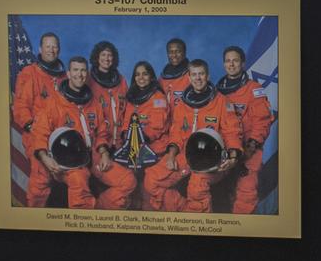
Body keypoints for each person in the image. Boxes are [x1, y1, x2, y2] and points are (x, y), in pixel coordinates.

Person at [24, 56, 136, 209]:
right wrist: (45, 158)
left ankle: (101, 210)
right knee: (78, 181)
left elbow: (102, 132)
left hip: (93, 156)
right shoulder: (54, 103)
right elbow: (40, 132)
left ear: (87, 74)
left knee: (128, 180)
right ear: (68, 74)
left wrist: (103, 153)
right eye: (75, 70)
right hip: (68, 161)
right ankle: (82, 219)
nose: (80, 74)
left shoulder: (93, 103)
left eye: (83, 70)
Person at [143, 59, 242, 213]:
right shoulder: (183, 104)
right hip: (185, 154)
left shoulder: (222, 102)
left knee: (197, 188)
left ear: (208, 76)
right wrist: (171, 155)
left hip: (213, 158)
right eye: (194, 75)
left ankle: (196, 222)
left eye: (201, 74)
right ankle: (183, 213)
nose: (198, 78)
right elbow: (175, 133)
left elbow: (232, 132)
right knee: (151, 179)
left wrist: (233, 157)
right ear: (189, 78)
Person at [216, 45, 275, 214]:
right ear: (224, 64)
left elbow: (262, 120)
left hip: (249, 151)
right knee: (218, 193)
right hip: (224, 149)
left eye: (235, 60)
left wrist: (252, 144)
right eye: (228, 61)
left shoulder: (254, 89)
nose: (231, 64)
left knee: (246, 194)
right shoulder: (217, 91)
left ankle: (242, 229)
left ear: (242, 63)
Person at [114, 61, 174, 203]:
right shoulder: (132, 97)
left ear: (151, 77)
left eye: (145, 74)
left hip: (154, 148)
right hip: (134, 148)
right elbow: (125, 123)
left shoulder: (158, 98)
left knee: (147, 189)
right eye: (137, 74)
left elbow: (157, 127)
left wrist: (140, 140)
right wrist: (125, 136)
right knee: (128, 183)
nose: (141, 78)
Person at [12, 32, 65, 132]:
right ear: (40, 49)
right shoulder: (29, 73)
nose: (51, 50)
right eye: (48, 47)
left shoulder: (65, 77)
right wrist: (30, 126)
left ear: (59, 50)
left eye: (54, 47)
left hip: (62, 130)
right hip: (38, 133)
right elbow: (21, 105)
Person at [88, 40, 127, 136]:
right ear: (97, 57)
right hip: (99, 140)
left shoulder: (121, 81)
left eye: (109, 55)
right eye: (103, 55)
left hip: (119, 139)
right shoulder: (88, 81)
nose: (106, 58)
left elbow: (127, 107)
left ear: (113, 58)